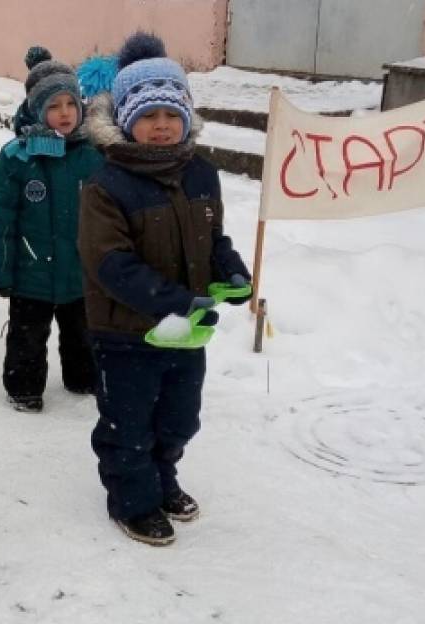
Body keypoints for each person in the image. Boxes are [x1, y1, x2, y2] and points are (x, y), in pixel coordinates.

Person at [77, 32, 250, 545]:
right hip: (125, 331)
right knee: (127, 426)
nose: (161, 126)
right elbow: (110, 263)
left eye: (170, 115)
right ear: (129, 120)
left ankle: (163, 477)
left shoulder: (201, 173)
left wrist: (232, 272)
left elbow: (213, 238)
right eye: (149, 116)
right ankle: (133, 500)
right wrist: (174, 299)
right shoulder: (107, 184)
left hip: (186, 331)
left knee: (178, 419)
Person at [0, 47, 103, 412]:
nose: (64, 113)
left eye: (70, 103)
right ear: (36, 109)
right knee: (28, 336)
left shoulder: (94, 155)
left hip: (80, 271)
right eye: (53, 106)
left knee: (82, 333)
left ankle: (82, 376)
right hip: (30, 272)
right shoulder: (17, 157)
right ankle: (24, 387)